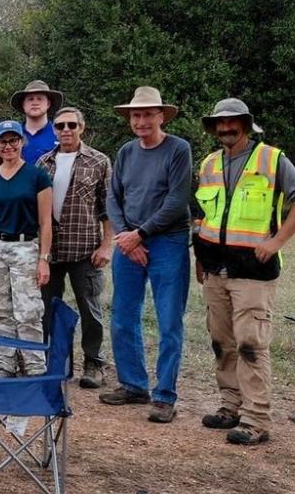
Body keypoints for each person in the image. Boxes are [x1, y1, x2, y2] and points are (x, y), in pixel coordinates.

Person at [193, 98, 295, 445]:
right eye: (220, 123)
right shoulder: (209, 163)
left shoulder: (272, 159)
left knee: (251, 344)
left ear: (246, 125)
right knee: (222, 342)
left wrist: (276, 242)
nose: (225, 128)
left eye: (233, 122)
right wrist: (199, 256)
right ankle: (230, 407)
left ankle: (256, 418)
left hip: (254, 271)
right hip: (215, 269)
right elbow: (202, 214)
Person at [99, 86, 192, 424]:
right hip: (129, 241)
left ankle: (164, 395)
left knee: (169, 320)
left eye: (147, 114)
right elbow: (113, 197)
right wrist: (126, 237)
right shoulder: (126, 152)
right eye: (135, 115)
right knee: (123, 316)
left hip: (168, 240)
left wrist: (140, 235)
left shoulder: (178, 149)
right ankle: (133, 384)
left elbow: (177, 200)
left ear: (161, 116)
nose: (141, 120)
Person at [0, 120, 53, 377]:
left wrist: (44, 258)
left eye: (13, 140)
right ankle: (5, 364)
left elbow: (45, 220)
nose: (8, 146)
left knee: (27, 311)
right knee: (0, 310)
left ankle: (35, 366)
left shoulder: (37, 175)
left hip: (24, 246)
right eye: (3, 142)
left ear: (21, 143)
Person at [36, 107, 113, 389]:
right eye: (60, 125)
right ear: (54, 130)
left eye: (71, 125)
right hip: (51, 250)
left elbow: (108, 208)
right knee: (49, 308)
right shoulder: (44, 163)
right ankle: (56, 362)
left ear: (82, 127)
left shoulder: (99, 162)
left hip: (85, 249)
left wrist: (107, 245)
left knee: (89, 308)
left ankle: (93, 363)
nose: (65, 130)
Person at [0, 80, 61, 170]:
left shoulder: (59, 134)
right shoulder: (6, 135)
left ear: (48, 103)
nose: (35, 102)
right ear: (23, 104)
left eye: (40, 98)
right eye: (30, 99)